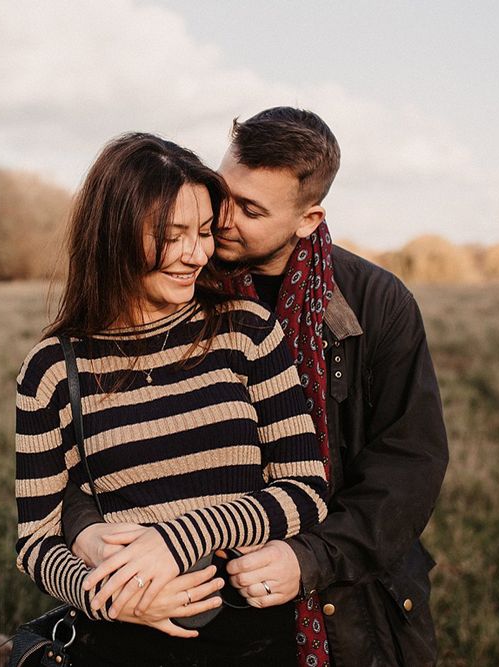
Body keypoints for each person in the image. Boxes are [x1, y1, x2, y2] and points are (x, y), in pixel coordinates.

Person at [64, 109, 449, 667]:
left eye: (251, 210)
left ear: (307, 219)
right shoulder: (175, 281)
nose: (220, 220)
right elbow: (88, 435)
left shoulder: (376, 305)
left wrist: (310, 558)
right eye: (223, 194)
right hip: (196, 599)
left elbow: (409, 464)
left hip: (351, 601)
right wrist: (85, 534)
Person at [15, 132, 329, 666]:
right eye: (172, 234)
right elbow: (36, 541)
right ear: (114, 234)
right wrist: (105, 595)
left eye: (204, 231)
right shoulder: (50, 370)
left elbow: (307, 490)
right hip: (126, 643)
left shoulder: (247, 332)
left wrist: (175, 540)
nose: (195, 253)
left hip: (254, 642)